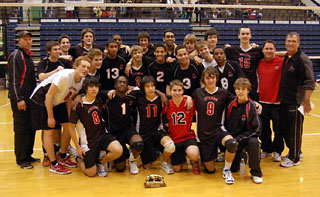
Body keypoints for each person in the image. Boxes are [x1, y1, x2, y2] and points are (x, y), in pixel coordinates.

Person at [30, 56, 91, 174]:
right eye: (83, 66)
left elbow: (68, 97)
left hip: (58, 101)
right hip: (41, 99)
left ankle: (63, 156)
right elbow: (48, 96)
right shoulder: (64, 76)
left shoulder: (81, 81)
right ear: (76, 66)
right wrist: (50, 116)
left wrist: (69, 115)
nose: (85, 69)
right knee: (49, 130)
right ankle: (53, 164)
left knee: (69, 125)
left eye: (88, 67)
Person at [69, 77, 123, 177]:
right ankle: (78, 158)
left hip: (102, 135)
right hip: (88, 141)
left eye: (96, 87)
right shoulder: (78, 105)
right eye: (91, 87)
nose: (94, 89)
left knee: (118, 150)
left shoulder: (99, 98)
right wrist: (78, 147)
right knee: (91, 173)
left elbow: (114, 92)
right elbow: (71, 127)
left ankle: (101, 162)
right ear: (86, 88)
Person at [192, 67, 237, 184]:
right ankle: (208, 155)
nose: (210, 80)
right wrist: (186, 97)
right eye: (208, 78)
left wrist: (255, 103)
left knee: (232, 144)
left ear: (216, 79)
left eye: (213, 78)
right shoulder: (197, 93)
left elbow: (240, 100)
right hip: (203, 135)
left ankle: (227, 170)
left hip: (218, 131)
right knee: (210, 170)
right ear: (204, 80)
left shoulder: (224, 93)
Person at [279, 32, 315, 167]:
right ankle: (294, 152)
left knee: (295, 131)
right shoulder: (288, 57)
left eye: (293, 41)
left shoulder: (302, 59)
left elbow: (309, 81)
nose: (290, 43)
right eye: (288, 41)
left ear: (298, 43)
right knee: (287, 130)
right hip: (285, 100)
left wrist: (306, 101)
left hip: (296, 102)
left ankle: (295, 158)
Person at [37, 41, 73, 167]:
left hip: (61, 99)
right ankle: (47, 154)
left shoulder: (65, 63)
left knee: (65, 126)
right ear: (49, 51)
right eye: (55, 49)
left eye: (59, 49)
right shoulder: (44, 63)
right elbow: (41, 77)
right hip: (46, 99)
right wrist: (56, 71)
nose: (58, 51)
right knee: (48, 129)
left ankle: (61, 153)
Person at [7, 30, 38, 169]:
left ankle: (28, 154)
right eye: (25, 39)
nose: (28, 41)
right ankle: (21, 159)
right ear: (19, 40)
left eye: (30, 39)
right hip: (20, 99)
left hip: (30, 99)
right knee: (21, 129)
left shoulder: (27, 56)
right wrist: (19, 99)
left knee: (30, 128)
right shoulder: (16, 56)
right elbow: (13, 80)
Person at [225, 78, 263, 184]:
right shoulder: (230, 103)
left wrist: (239, 139)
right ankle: (241, 155)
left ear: (248, 90)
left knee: (254, 142)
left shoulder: (251, 107)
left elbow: (257, 130)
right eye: (238, 89)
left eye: (243, 89)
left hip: (246, 139)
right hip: (233, 140)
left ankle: (256, 172)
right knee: (234, 169)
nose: (240, 91)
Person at [134, 76, 175, 174]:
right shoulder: (138, 99)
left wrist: (188, 97)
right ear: (143, 88)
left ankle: (164, 163)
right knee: (148, 167)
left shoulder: (161, 99)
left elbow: (178, 95)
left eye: (152, 86)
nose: (151, 88)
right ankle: (134, 157)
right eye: (147, 86)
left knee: (171, 146)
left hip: (157, 132)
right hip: (143, 134)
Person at [104, 76, 144, 174]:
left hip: (127, 129)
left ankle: (132, 159)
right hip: (113, 132)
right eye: (120, 82)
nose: (122, 84)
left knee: (139, 144)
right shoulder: (108, 97)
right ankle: (114, 156)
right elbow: (88, 93)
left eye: (124, 82)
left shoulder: (131, 96)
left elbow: (145, 91)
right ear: (115, 85)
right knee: (120, 168)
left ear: (128, 86)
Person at [163, 80, 200, 174]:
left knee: (194, 154)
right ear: (170, 91)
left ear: (183, 91)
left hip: (187, 137)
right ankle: (182, 157)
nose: (177, 93)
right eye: (174, 90)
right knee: (177, 169)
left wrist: (189, 97)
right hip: (174, 139)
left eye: (179, 90)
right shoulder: (167, 104)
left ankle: (194, 161)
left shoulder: (189, 103)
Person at [257, 40, 284, 161]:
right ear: (262, 50)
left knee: (278, 129)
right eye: (266, 49)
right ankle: (267, 149)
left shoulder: (282, 62)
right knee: (264, 129)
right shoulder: (259, 63)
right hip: (263, 101)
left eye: (271, 49)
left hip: (277, 103)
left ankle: (277, 151)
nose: (268, 51)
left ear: (275, 50)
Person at [225, 26, 264, 101]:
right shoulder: (232, 50)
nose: (245, 36)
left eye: (247, 34)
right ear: (238, 36)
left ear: (250, 35)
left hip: (252, 86)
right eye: (243, 34)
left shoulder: (258, 50)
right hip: (237, 86)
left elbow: (272, 54)